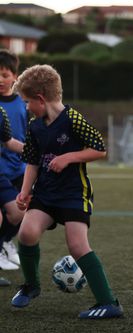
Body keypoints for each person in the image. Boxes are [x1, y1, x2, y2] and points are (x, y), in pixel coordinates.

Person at [10, 64, 124, 318]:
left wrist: (69, 157)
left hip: (74, 193)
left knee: (76, 244)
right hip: (45, 193)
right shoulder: (35, 125)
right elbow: (32, 160)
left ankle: (108, 303)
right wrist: (25, 192)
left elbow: (99, 149)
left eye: (28, 101)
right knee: (27, 232)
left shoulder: (73, 119)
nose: (27, 107)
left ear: (40, 98)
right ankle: (30, 286)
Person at [0, 49, 29, 272]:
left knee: (21, 210)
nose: (0, 80)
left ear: (15, 76)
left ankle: (6, 243)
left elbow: (14, 140)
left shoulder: (23, 103)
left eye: (5, 74)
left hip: (19, 166)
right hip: (1, 169)